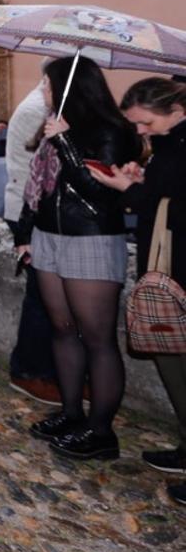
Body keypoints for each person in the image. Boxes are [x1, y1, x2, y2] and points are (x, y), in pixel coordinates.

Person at [13, 57, 139, 458]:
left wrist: (65, 141)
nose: (46, 92)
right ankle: (71, 414)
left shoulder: (112, 130)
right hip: (50, 235)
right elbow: (37, 188)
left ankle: (101, 432)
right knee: (62, 329)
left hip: (91, 237)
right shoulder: (52, 127)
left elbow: (98, 191)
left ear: (72, 87)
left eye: (49, 84)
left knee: (98, 338)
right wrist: (24, 233)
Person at [90, 77, 186, 502]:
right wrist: (139, 180)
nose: (141, 131)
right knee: (172, 364)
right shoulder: (169, 142)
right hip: (164, 266)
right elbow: (162, 193)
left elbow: (175, 203)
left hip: (179, 269)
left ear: (176, 111)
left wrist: (130, 189)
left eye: (144, 122)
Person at [3, 82, 60, 405]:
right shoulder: (36, 111)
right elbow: (35, 175)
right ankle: (29, 370)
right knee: (41, 297)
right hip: (30, 213)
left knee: (48, 298)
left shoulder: (46, 109)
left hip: (38, 212)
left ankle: (44, 369)